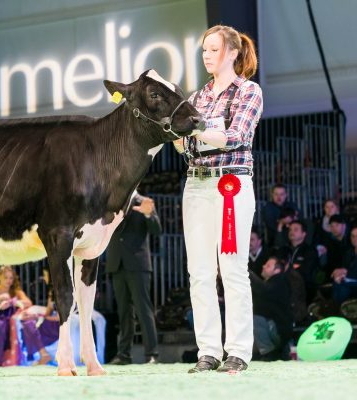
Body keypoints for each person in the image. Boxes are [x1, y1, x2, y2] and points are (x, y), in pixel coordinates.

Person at [173, 25, 262, 373]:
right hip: (195, 185)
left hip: (232, 185)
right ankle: (207, 352)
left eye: (214, 49)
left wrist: (196, 131)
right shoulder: (197, 97)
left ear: (233, 53)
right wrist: (184, 135)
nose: (207, 56)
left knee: (233, 269)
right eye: (204, 50)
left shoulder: (248, 91)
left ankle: (238, 351)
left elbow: (237, 135)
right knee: (199, 272)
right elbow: (184, 146)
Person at [106, 192, 161, 365]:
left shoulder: (144, 202)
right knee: (124, 312)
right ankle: (124, 354)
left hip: (138, 263)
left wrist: (148, 214)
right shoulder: (111, 202)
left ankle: (152, 354)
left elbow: (157, 230)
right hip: (117, 263)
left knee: (143, 309)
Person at [0, 266, 55, 367]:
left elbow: (28, 302)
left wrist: (12, 302)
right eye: (6, 277)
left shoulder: (16, 291)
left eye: (11, 278)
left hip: (9, 320)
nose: (9, 280)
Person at [250, 256, 293, 361]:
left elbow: (264, 291)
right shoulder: (273, 283)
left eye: (268, 266)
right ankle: (277, 351)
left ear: (277, 270)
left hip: (279, 331)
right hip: (277, 330)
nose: (263, 266)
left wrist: (249, 274)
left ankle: (269, 352)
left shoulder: (280, 281)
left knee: (255, 319)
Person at [286, 221, 321, 304]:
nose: (291, 232)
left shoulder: (310, 251)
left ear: (303, 234)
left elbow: (306, 271)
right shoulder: (284, 250)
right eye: (290, 230)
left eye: (295, 230)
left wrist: (288, 269)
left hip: (303, 286)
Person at [331, 226, 357, 305]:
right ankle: (336, 307)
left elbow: (346, 270)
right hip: (348, 279)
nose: (355, 238)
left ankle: (339, 307)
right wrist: (339, 274)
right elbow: (343, 267)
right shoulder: (349, 252)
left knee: (343, 286)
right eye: (352, 236)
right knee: (337, 281)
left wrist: (345, 272)